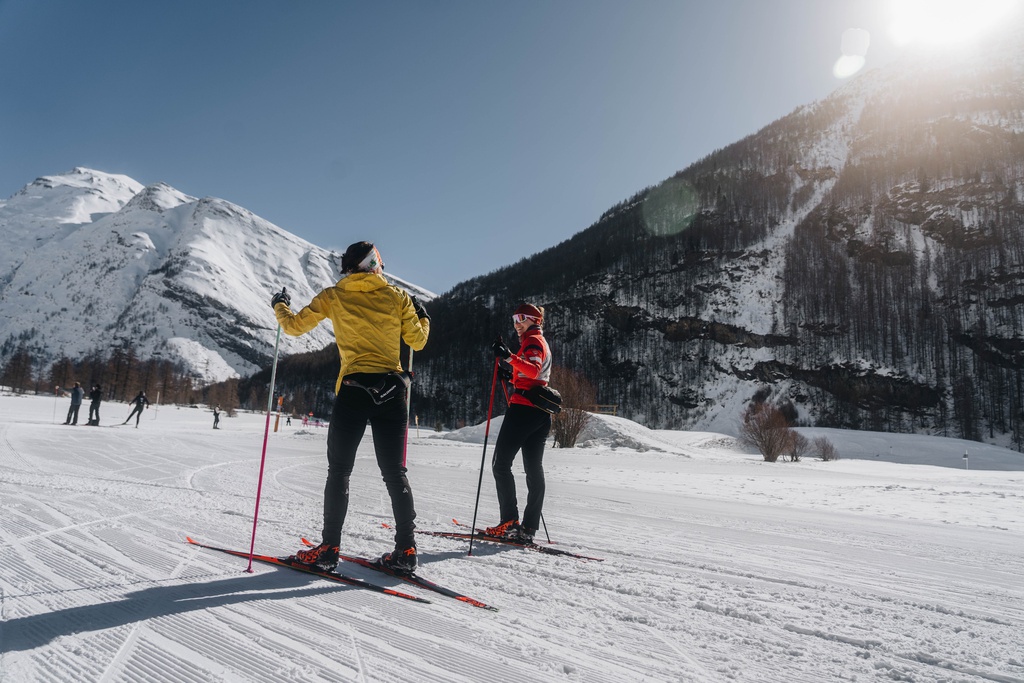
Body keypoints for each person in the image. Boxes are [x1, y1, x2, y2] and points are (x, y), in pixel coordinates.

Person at [272, 241, 430, 574]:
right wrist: (423, 316)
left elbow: (293, 326)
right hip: (392, 394)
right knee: (395, 473)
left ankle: (329, 549)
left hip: (354, 393)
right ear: (374, 265)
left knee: (340, 471)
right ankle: (406, 550)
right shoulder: (397, 297)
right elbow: (417, 341)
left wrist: (280, 306)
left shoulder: (334, 296)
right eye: (380, 262)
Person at [485, 303, 553, 545]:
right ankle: (529, 527)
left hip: (523, 411)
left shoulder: (533, 341)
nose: (517, 323)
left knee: (500, 464)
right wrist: (511, 372)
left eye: (522, 318)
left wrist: (508, 357)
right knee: (533, 469)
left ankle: (509, 522)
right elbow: (531, 374)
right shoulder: (537, 341)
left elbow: (533, 370)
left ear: (535, 320)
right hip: (540, 414)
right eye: (514, 318)